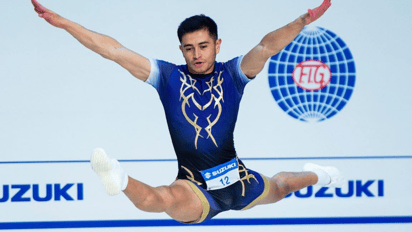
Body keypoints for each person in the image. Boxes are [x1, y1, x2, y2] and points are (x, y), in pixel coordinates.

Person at [32, 0, 343, 224]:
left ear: (217, 45)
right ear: (180, 49)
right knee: (164, 199)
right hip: (195, 187)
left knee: (282, 187)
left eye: (203, 46)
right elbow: (114, 51)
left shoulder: (233, 74)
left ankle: (322, 174)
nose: (197, 54)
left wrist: (302, 20)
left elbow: (266, 48)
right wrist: (65, 23)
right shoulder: (168, 77)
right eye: (189, 48)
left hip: (239, 179)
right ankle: (119, 177)